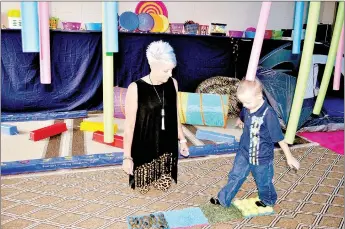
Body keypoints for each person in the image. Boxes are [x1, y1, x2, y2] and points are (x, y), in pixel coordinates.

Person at [210, 79, 300, 208]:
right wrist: (240, 120)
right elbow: (243, 114)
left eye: (247, 102)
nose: (245, 105)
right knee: (235, 175)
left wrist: (289, 157)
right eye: (243, 102)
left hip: (261, 157)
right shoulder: (248, 107)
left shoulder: (268, 114)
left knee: (264, 182)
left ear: (259, 96)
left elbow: (279, 138)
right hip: (244, 152)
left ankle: (268, 200)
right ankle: (223, 199)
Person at [122, 40, 189, 194]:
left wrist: (183, 140)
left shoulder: (173, 83)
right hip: (143, 144)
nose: (170, 74)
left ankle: (161, 171)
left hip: (167, 145)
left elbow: (175, 113)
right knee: (142, 189)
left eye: (172, 70)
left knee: (163, 186)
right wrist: (127, 157)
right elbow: (129, 126)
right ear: (153, 66)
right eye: (166, 71)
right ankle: (144, 170)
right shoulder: (135, 88)